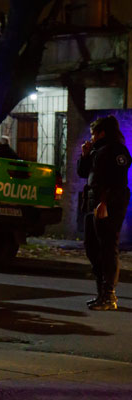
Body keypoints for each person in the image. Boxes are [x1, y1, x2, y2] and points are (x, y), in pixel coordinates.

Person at [77, 115, 131, 311]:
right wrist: (84, 155)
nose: (91, 137)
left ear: (102, 133)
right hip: (93, 202)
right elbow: (83, 174)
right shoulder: (96, 151)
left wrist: (104, 202)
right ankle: (101, 293)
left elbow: (117, 180)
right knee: (91, 247)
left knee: (108, 246)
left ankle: (109, 295)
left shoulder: (116, 151)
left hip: (109, 203)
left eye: (93, 134)